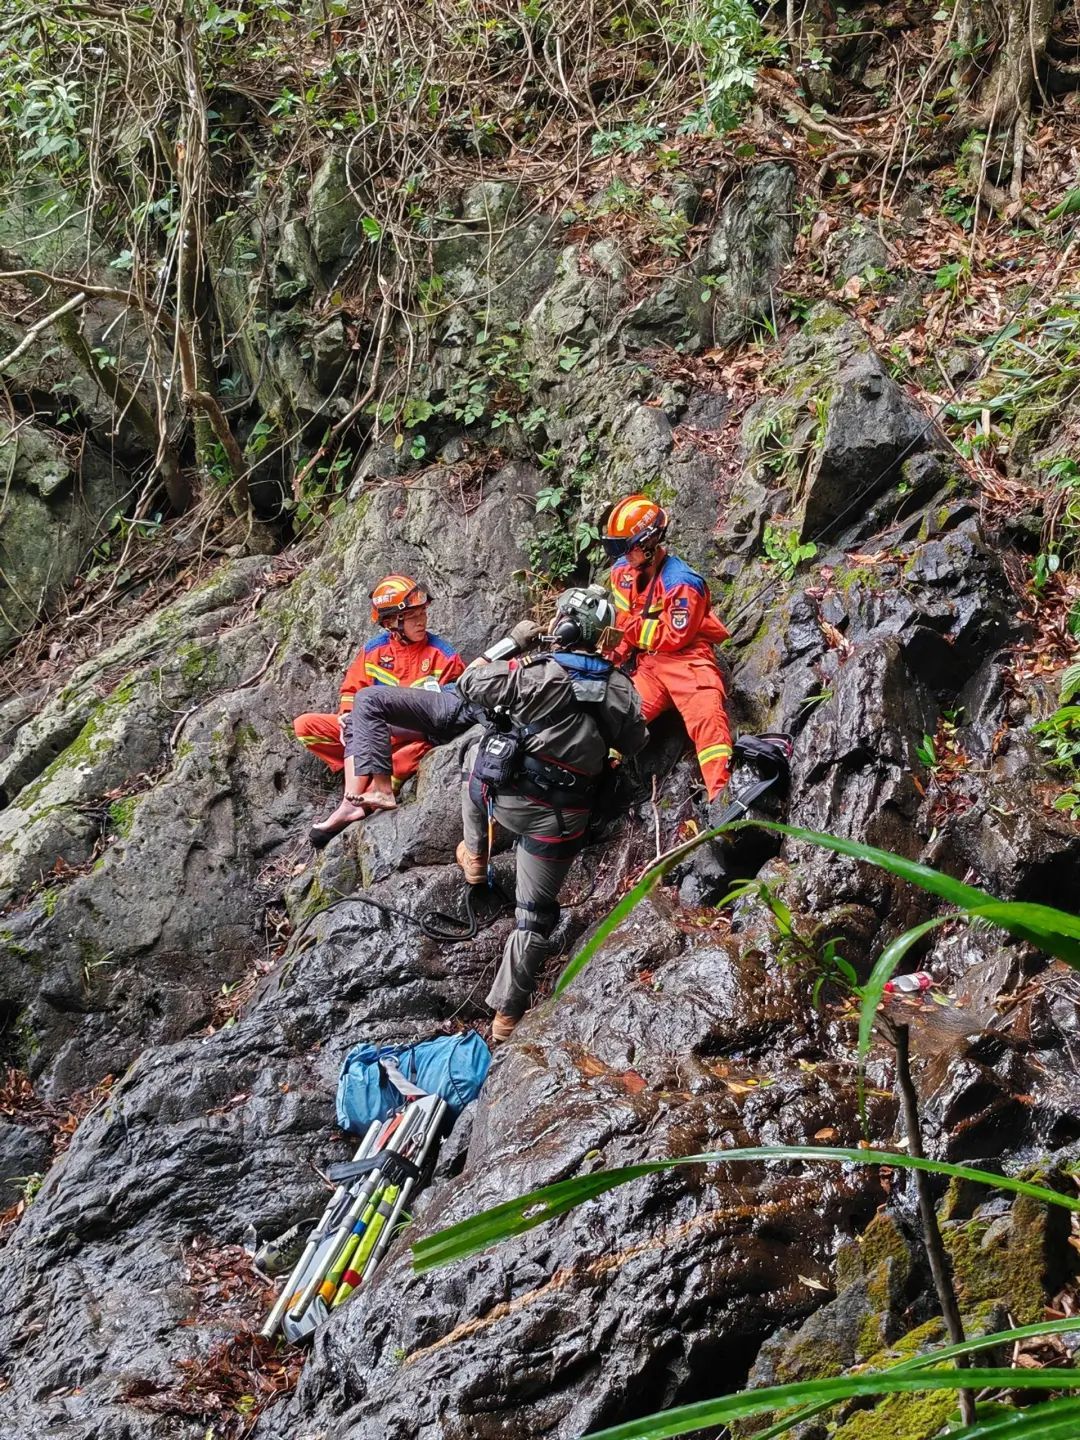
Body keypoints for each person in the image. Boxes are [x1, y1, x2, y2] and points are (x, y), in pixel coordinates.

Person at [456, 585, 648, 1042]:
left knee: (473, 760)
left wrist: (514, 645)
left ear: (561, 627)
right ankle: (505, 1019)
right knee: (534, 918)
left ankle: (476, 856)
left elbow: (467, 683)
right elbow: (636, 743)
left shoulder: (535, 672)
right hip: (559, 823)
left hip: (502, 800)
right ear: (603, 637)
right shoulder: (622, 690)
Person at [295, 574, 464, 847]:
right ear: (390, 623)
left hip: (413, 736)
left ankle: (360, 801)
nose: (421, 620)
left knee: (411, 754)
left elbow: (451, 711)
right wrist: (346, 715)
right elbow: (351, 691)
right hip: (373, 733)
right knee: (307, 726)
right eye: (411, 616)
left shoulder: (442, 655)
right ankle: (357, 784)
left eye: (422, 613)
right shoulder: (374, 651)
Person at [601, 494, 733, 815]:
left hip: (687, 660)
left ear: (648, 543)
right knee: (615, 716)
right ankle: (600, 776)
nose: (622, 556)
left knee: (707, 718)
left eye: (626, 548)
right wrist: (605, 658)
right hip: (649, 666)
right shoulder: (622, 574)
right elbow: (618, 623)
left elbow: (673, 636)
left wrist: (630, 630)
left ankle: (724, 800)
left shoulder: (682, 583)